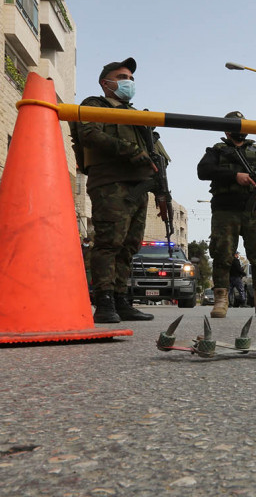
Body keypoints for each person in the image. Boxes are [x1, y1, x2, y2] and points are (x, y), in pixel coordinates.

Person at [75, 56, 167, 323]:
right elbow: (90, 135)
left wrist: (162, 193)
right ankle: (103, 301)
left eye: (131, 78)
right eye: (123, 77)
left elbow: (156, 156)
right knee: (109, 242)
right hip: (110, 182)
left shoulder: (137, 117)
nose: (129, 82)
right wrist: (131, 152)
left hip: (139, 186)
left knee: (129, 246)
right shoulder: (95, 104)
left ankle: (120, 299)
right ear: (106, 83)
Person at [197, 112, 256, 318]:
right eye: (235, 125)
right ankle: (221, 301)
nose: (240, 128)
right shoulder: (217, 151)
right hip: (225, 210)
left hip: (255, 211)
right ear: (226, 129)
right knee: (223, 255)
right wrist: (235, 176)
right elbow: (203, 171)